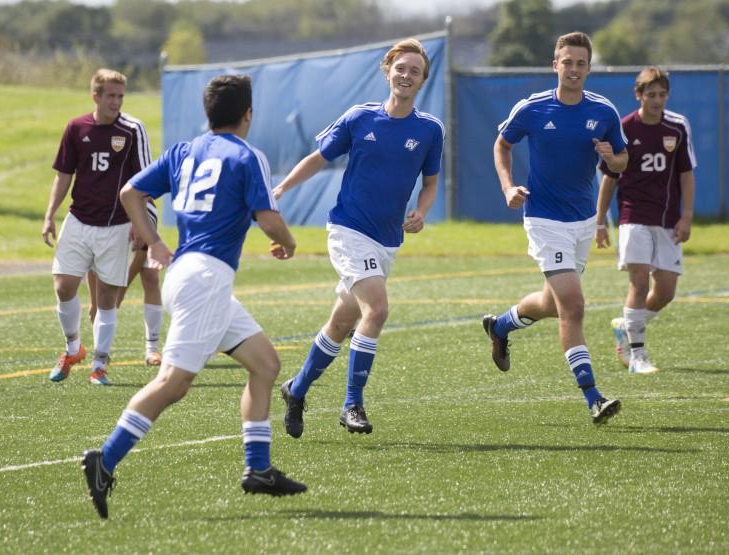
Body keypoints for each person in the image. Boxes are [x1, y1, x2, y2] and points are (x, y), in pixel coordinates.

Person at [81, 74, 307, 520]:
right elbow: (268, 218)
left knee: (265, 364)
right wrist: (290, 243)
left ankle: (258, 469)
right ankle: (104, 460)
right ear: (248, 114)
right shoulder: (247, 155)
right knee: (172, 384)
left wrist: (153, 242)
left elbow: (130, 192)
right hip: (205, 280)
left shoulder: (185, 150)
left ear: (208, 113)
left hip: (189, 273)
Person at [274, 38, 444, 437]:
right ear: (388, 71)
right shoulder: (359, 118)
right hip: (349, 230)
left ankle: (296, 389)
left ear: (422, 80)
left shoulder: (430, 129)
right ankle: (352, 403)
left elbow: (431, 182)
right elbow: (319, 158)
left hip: (386, 241)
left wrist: (422, 210)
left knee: (341, 321)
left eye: (414, 71)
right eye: (400, 68)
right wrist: (280, 189)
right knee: (378, 310)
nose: (406, 75)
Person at [480, 31, 628, 424]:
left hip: (582, 220)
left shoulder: (604, 111)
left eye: (581, 63)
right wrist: (508, 187)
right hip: (544, 219)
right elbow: (501, 144)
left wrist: (613, 157)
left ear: (589, 68)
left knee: (551, 303)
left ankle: (500, 325)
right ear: (555, 65)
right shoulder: (532, 109)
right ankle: (593, 397)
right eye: (568, 62)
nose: (574, 69)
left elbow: (622, 163)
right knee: (574, 306)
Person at [42, 69, 153, 386]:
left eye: (120, 96)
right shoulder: (76, 128)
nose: (116, 102)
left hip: (116, 225)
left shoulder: (131, 131)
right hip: (78, 221)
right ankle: (72, 349)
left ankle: (99, 365)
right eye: (110, 96)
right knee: (63, 286)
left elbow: (142, 179)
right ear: (96, 96)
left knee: (106, 298)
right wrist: (50, 214)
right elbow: (64, 175)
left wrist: (138, 220)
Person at [595, 67, 697, 375]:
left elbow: (686, 173)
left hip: (667, 220)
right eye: (650, 94)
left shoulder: (677, 127)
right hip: (633, 217)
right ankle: (638, 356)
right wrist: (600, 222)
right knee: (638, 284)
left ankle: (626, 324)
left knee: (665, 291)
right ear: (638, 95)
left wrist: (687, 215)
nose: (657, 100)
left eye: (662, 94)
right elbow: (610, 179)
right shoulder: (624, 129)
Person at [87, 232, 164, 367]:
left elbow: (143, 251)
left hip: (137, 222)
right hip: (105, 224)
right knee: (99, 294)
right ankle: (101, 351)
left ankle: (152, 349)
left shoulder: (143, 212)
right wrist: (94, 302)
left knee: (151, 275)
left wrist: (122, 289)